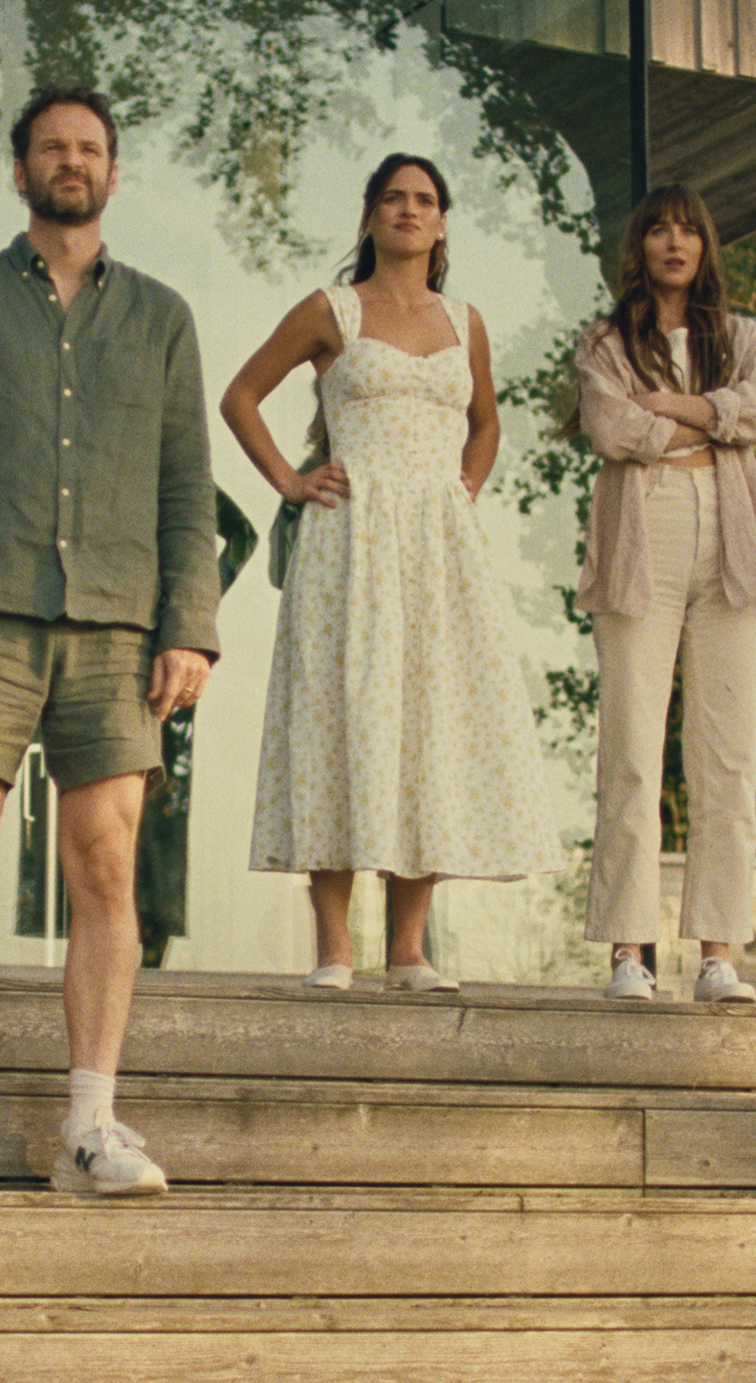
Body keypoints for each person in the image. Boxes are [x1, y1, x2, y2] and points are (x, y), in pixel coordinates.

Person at [0, 87, 219, 1197]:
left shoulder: (163, 317)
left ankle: (92, 1123)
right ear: (18, 170)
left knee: (108, 871)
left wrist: (191, 629)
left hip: (119, 630)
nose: (69, 162)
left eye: (88, 149)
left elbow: (186, 488)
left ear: (112, 174)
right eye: (49, 148)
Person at [221, 152, 559, 992]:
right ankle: (335, 947)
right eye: (394, 199)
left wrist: (465, 488)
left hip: (436, 550)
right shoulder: (332, 309)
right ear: (370, 216)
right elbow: (240, 396)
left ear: (443, 222)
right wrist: (292, 482)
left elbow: (486, 424)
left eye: (425, 201)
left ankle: (409, 947)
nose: (410, 211)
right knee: (341, 717)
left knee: (428, 722)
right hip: (350, 538)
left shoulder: (464, 321)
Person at [571, 183, 756, 1003]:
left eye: (688, 230)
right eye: (659, 229)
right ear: (641, 246)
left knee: (727, 755)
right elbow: (612, 426)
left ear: (705, 247)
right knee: (631, 747)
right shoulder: (606, 341)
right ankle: (630, 950)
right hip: (643, 534)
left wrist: (681, 406)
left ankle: (718, 953)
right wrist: (707, 420)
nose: (673, 242)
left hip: (730, 535)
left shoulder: (742, 337)